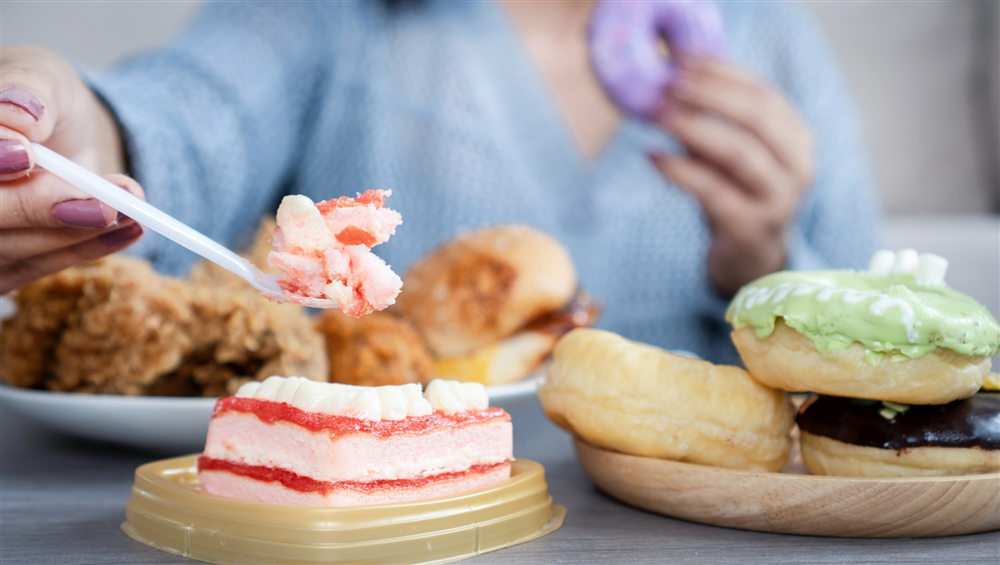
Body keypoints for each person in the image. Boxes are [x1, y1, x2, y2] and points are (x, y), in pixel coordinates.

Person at [0, 0, 880, 363]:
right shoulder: (332, 18)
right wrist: (86, 131)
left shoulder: (770, 32)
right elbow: (190, 121)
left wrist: (761, 258)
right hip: (385, 518)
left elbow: (866, 331)